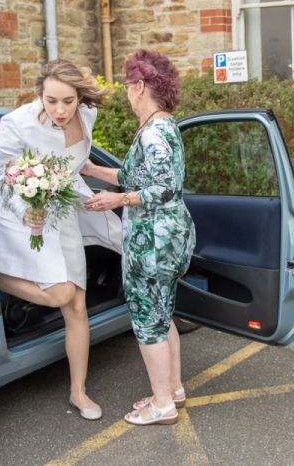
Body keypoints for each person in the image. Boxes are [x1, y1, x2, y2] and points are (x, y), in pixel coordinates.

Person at [0, 59, 122, 420]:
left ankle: (78, 392)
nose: (60, 110)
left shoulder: (89, 113)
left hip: (63, 211)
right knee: (61, 293)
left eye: (68, 101)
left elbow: (76, 164)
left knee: (76, 306)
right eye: (51, 101)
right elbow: (4, 181)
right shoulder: (17, 124)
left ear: (80, 96)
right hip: (25, 216)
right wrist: (26, 211)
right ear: (40, 95)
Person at [82, 49, 195, 426]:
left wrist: (119, 200)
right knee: (163, 313)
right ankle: (173, 389)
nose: (127, 92)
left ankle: (161, 404)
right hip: (168, 237)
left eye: (128, 85)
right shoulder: (163, 126)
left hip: (153, 241)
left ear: (141, 86)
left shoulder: (153, 134)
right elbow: (137, 177)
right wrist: (90, 168)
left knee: (147, 318)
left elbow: (165, 187)